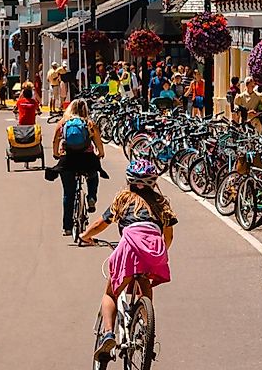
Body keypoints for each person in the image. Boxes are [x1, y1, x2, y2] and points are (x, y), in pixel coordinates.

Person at [78, 157, 176, 363]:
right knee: (145, 287)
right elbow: (168, 237)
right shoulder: (162, 203)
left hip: (129, 247)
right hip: (154, 251)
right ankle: (147, 333)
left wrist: (85, 236)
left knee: (111, 293)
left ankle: (107, 335)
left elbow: (100, 224)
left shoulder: (123, 199)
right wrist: (159, 252)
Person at [45, 99, 106, 237]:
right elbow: (99, 142)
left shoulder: (63, 123)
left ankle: (67, 227)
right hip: (86, 159)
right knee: (93, 175)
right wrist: (100, 154)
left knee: (68, 193)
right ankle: (91, 197)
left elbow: (55, 140)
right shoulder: (89, 123)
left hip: (68, 160)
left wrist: (56, 153)